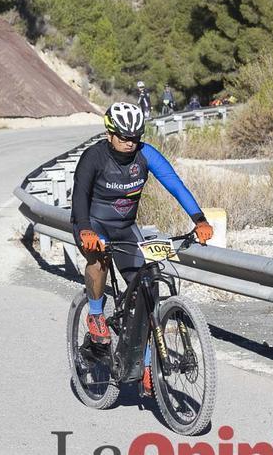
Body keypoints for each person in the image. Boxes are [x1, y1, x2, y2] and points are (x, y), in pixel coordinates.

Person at [70, 102, 213, 395]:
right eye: (123, 136)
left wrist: (199, 219)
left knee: (148, 291)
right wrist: (85, 229)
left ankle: (148, 364)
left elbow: (175, 184)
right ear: (109, 132)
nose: (129, 142)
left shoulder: (145, 155)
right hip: (92, 225)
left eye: (135, 137)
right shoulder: (93, 157)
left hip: (124, 228)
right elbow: (80, 196)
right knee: (97, 262)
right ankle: (95, 314)